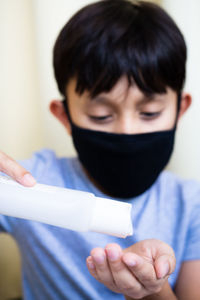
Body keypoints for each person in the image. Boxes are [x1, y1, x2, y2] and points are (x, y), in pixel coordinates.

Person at [0, 0, 200, 299]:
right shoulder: (32, 183)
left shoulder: (191, 204)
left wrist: (152, 290)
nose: (126, 132)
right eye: (100, 116)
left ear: (179, 110)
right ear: (64, 116)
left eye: (150, 113)